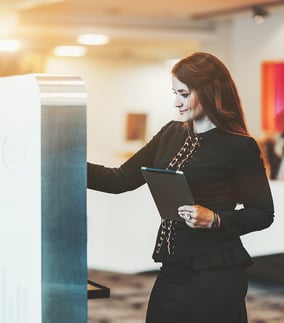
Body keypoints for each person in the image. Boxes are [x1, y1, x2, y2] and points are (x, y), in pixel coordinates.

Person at [87, 52, 274, 323]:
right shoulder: (170, 133)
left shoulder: (239, 146)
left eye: (184, 94)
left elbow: (262, 213)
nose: (176, 102)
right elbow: (119, 179)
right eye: (174, 93)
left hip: (215, 273)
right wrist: (65, 165)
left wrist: (215, 218)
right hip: (173, 269)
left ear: (210, 90)